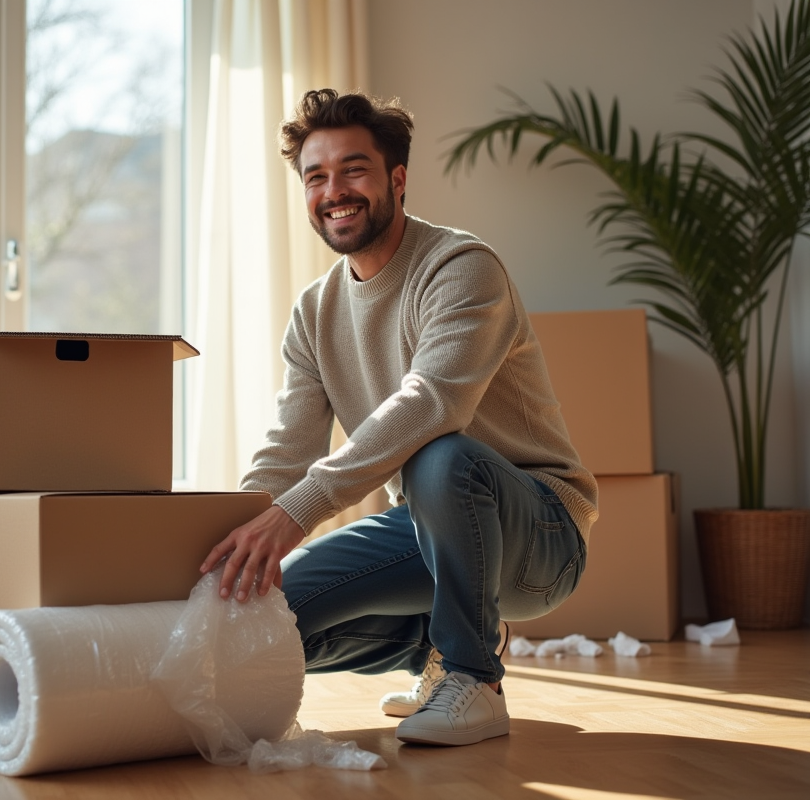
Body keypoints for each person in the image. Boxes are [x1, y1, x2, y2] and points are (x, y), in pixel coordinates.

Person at [199, 89, 598, 747]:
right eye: (316, 176)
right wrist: (227, 552)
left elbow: (433, 402)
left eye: (353, 169)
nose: (335, 191)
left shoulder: (463, 268)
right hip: (428, 530)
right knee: (265, 614)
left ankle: (477, 679)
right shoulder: (314, 312)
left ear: (397, 179)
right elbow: (284, 452)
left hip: (541, 533)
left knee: (440, 454)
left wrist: (297, 513)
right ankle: (439, 644)